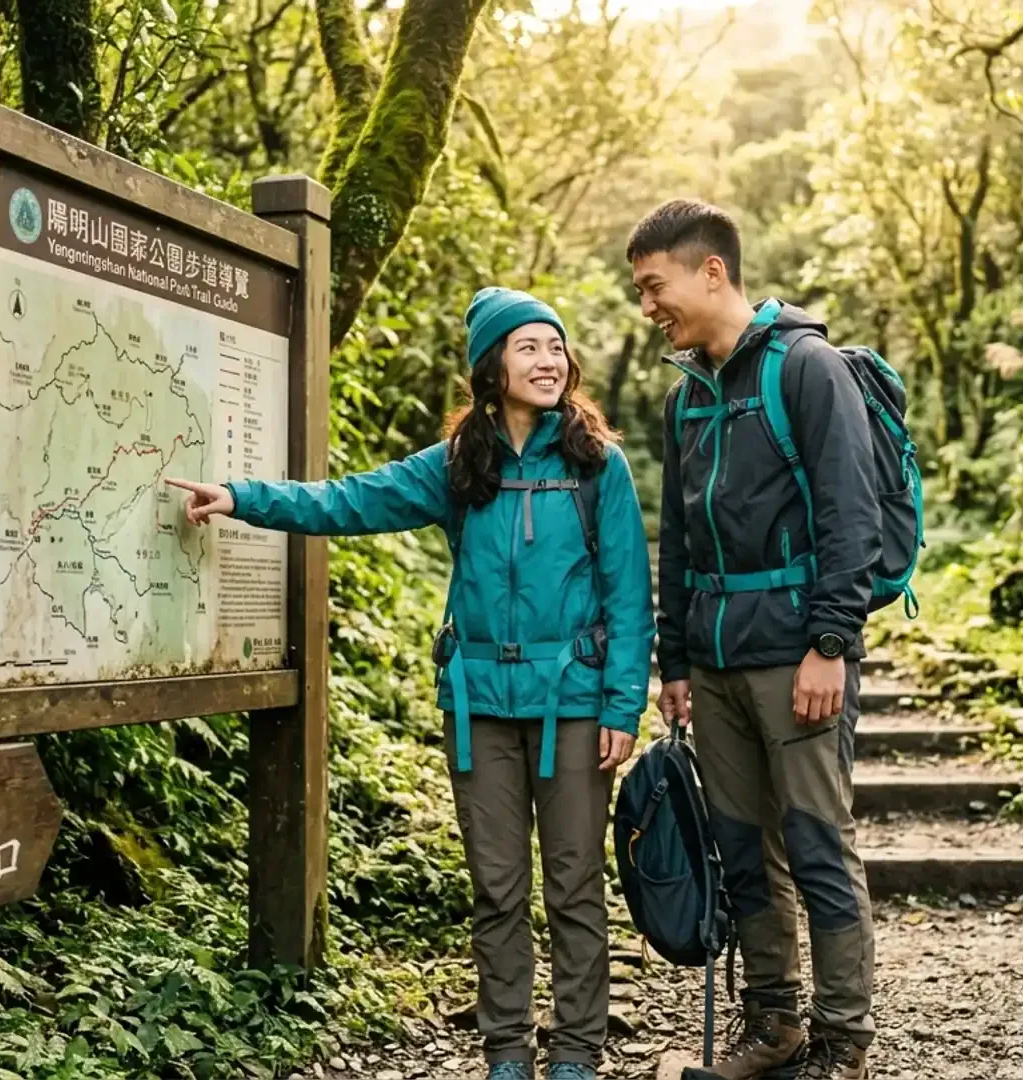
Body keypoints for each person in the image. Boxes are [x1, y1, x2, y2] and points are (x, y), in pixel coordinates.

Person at [166, 287, 652, 1080]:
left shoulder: (598, 465)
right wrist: (244, 498)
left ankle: (574, 1052)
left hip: (573, 704)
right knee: (496, 887)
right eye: (528, 347)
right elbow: (353, 499)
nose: (548, 360)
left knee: (574, 884)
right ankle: (505, 1052)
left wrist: (622, 705)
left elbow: (630, 594)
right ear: (491, 366)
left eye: (555, 347)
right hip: (480, 708)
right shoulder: (461, 464)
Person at [630, 199, 878, 1080]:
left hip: (796, 654)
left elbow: (852, 515)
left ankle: (843, 1039)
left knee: (816, 841)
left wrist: (831, 642)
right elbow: (678, 541)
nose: (648, 305)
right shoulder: (684, 397)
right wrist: (676, 662)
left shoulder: (806, 369)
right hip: (718, 659)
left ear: (712, 271)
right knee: (742, 848)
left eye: (655, 286)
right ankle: (773, 1023)